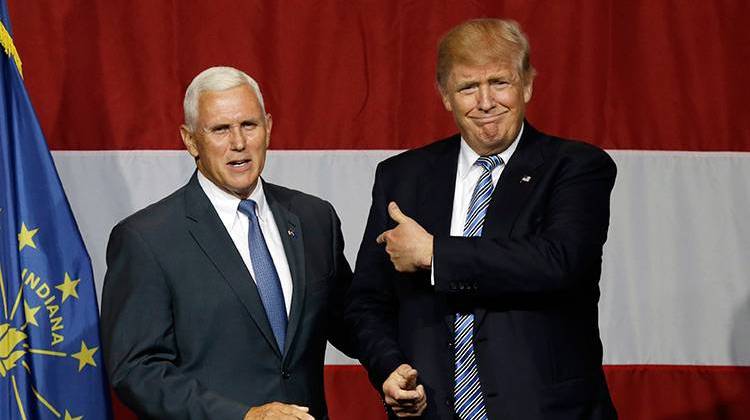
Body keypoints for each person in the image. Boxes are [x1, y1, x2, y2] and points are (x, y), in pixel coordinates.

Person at [347, 19, 618, 419]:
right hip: (433, 410)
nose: (486, 101)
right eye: (468, 87)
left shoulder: (576, 167)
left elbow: (559, 261)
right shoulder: (401, 177)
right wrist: (387, 368)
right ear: (445, 95)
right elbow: (367, 302)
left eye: (499, 82)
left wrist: (434, 254)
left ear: (527, 84)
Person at [101, 66, 354, 420]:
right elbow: (137, 370)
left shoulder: (314, 218)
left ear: (268, 127)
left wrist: (392, 363)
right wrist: (243, 416)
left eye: (248, 125)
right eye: (220, 129)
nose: (238, 143)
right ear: (190, 141)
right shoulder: (146, 239)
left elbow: (352, 321)